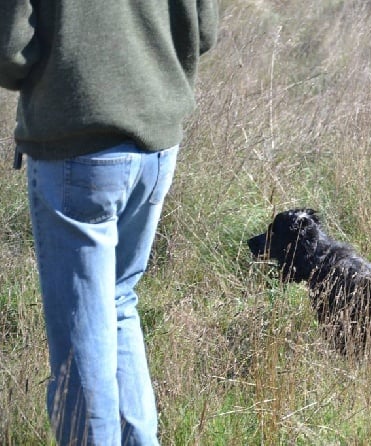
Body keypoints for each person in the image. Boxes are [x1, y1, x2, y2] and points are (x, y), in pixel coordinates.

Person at [0, 1, 218, 444]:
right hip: (157, 145)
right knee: (117, 303)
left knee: (84, 331)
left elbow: (11, 53)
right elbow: (204, 30)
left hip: (76, 147)